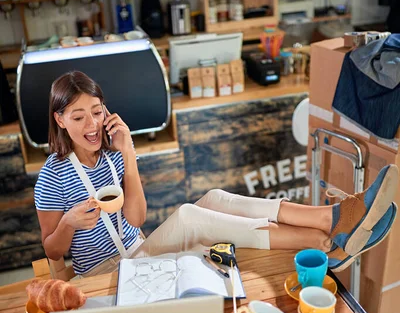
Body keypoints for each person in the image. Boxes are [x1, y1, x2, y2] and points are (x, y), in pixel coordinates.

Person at [34, 71, 398, 278]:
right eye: (78, 117)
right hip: (107, 275)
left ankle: (329, 222)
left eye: (96, 112)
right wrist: (68, 223)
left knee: (216, 199)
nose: (92, 124)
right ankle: (327, 236)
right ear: (60, 120)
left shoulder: (116, 150)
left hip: (136, 252)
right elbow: (52, 248)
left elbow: (135, 218)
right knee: (190, 217)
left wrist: (128, 151)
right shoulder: (53, 175)